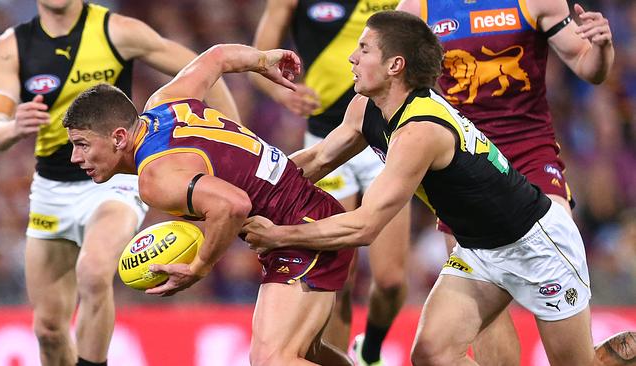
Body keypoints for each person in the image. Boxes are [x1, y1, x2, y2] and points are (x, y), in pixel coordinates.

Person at [242, 11, 635, 366]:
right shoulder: (365, 108)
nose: (352, 57)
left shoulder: (421, 131)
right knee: (432, 354)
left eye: (363, 49)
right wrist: (245, 185)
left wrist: (279, 235)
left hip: (537, 246)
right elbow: (316, 160)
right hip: (479, 249)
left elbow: (363, 227)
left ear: (396, 65)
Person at [63, 44, 355, 366]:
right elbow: (216, 57)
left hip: (302, 234)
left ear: (119, 137)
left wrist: (199, 267)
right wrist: (261, 61)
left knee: (271, 360)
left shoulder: (154, 178)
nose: (76, 158)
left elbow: (232, 205)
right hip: (306, 216)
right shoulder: (165, 102)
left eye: (82, 145)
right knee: (304, 354)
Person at [0, 1, 238, 365]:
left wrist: (231, 135)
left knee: (93, 271)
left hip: (114, 181)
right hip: (51, 190)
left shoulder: (116, 30)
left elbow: (202, 70)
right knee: (49, 331)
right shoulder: (13, 47)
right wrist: (12, 128)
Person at [391, 0, 615, 364]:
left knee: (568, 348)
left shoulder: (535, 1)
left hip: (532, 165)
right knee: (484, 325)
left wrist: (602, 46)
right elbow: (390, 77)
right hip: (464, 174)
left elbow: (589, 66)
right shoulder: (419, 8)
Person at [249, 0, 412, 360]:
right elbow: (257, 56)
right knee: (339, 273)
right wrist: (282, 93)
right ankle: (341, 357)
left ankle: (369, 350)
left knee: (390, 281)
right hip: (327, 140)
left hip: (387, 132)